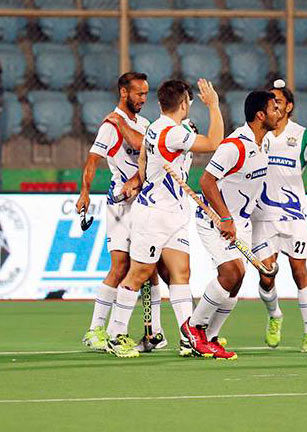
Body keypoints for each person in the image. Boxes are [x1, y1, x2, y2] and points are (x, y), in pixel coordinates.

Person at [105, 78, 224, 358]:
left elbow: (146, 163)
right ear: (183, 104)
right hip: (155, 215)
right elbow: (215, 142)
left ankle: (188, 336)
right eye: (189, 102)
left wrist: (140, 181)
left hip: (175, 213)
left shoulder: (158, 128)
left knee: (181, 273)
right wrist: (214, 106)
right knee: (140, 273)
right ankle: (114, 335)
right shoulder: (171, 132)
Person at [181, 90, 281, 360]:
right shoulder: (235, 145)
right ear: (260, 115)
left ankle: (209, 338)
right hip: (215, 219)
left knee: (236, 281)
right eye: (274, 108)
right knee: (231, 272)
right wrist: (225, 217)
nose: (279, 113)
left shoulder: (265, 144)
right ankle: (193, 328)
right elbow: (206, 181)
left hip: (241, 222)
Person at [77, 72, 167, 352]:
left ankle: (155, 333)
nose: (143, 98)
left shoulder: (145, 124)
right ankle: (95, 331)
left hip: (144, 203)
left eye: (146, 93)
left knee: (148, 269)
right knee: (120, 267)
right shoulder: (110, 125)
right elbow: (93, 161)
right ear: (124, 92)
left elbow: (148, 157)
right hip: (120, 206)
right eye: (139, 93)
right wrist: (85, 192)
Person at [251, 79, 307, 353]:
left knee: (300, 272)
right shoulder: (256, 134)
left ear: (289, 106)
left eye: (279, 101)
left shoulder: (304, 137)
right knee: (266, 275)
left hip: (293, 216)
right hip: (262, 216)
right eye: (271, 101)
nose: (274, 104)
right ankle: (274, 315)